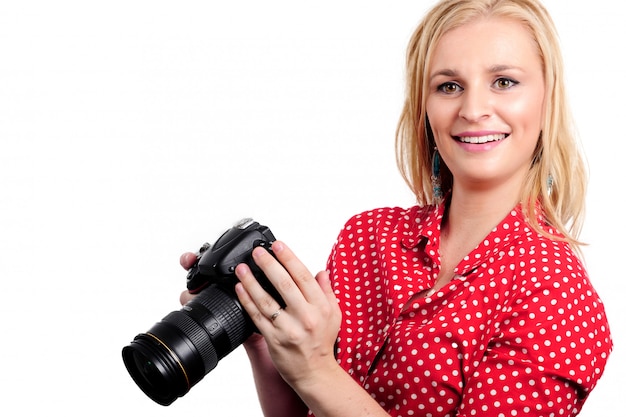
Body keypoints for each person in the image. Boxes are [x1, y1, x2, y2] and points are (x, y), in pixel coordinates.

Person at [180, 0, 612, 415]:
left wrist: (315, 368)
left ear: (546, 99)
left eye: (504, 81)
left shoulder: (557, 293)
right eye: (449, 86)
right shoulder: (368, 236)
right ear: (425, 108)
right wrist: (261, 334)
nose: (473, 109)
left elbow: (319, 378)